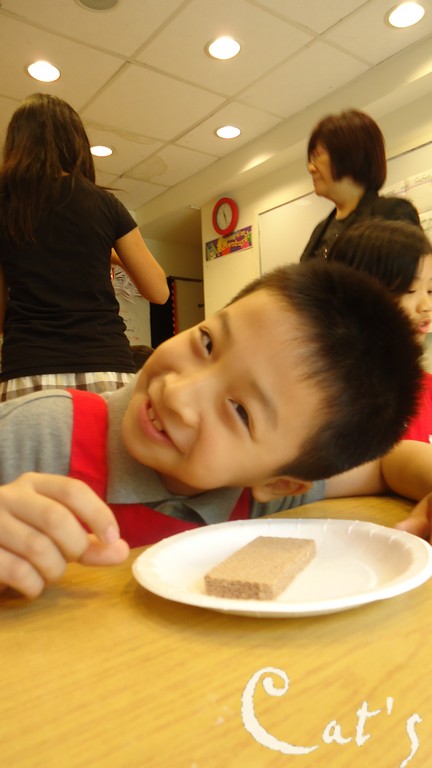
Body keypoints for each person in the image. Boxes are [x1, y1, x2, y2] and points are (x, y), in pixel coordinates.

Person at [0, 259, 428, 600]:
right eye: (207, 343)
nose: (178, 394)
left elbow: (387, 463)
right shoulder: (38, 434)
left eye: (240, 411)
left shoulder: (252, 491)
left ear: (278, 483)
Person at [0, 93, 169, 401]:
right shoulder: (105, 204)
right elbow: (159, 292)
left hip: (29, 367)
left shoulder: (5, 205)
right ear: (75, 142)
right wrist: (112, 254)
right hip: (106, 367)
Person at [329, 218, 432, 443]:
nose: (426, 306)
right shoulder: (335, 398)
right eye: (409, 289)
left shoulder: (427, 388)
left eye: (431, 290)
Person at [299, 108, 420, 262]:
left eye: (317, 155)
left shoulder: (391, 214)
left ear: (350, 156)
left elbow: (414, 274)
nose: (310, 168)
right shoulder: (321, 230)